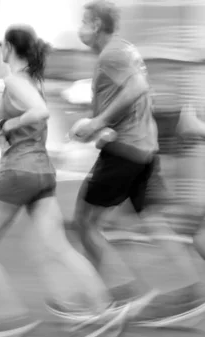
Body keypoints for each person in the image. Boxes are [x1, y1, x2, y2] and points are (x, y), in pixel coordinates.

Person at [0, 24, 152, 337]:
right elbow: (11, 142)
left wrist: (5, 122)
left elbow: (39, 114)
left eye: (2, 43)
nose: (0, 47)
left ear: (11, 48)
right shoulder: (32, 82)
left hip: (19, 173)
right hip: (41, 174)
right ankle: (103, 310)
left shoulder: (14, 80)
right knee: (59, 248)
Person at [48, 0, 205, 327]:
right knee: (152, 221)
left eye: (83, 22)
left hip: (124, 153)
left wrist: (97, 123)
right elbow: (139, 100)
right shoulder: (125, 50)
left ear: (95, 24)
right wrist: (102, 127)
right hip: (142, 150)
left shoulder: (111, 55)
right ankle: (192, 295)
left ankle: (110, 300)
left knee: (86, 223)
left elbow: (138, 87)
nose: (80, 28)